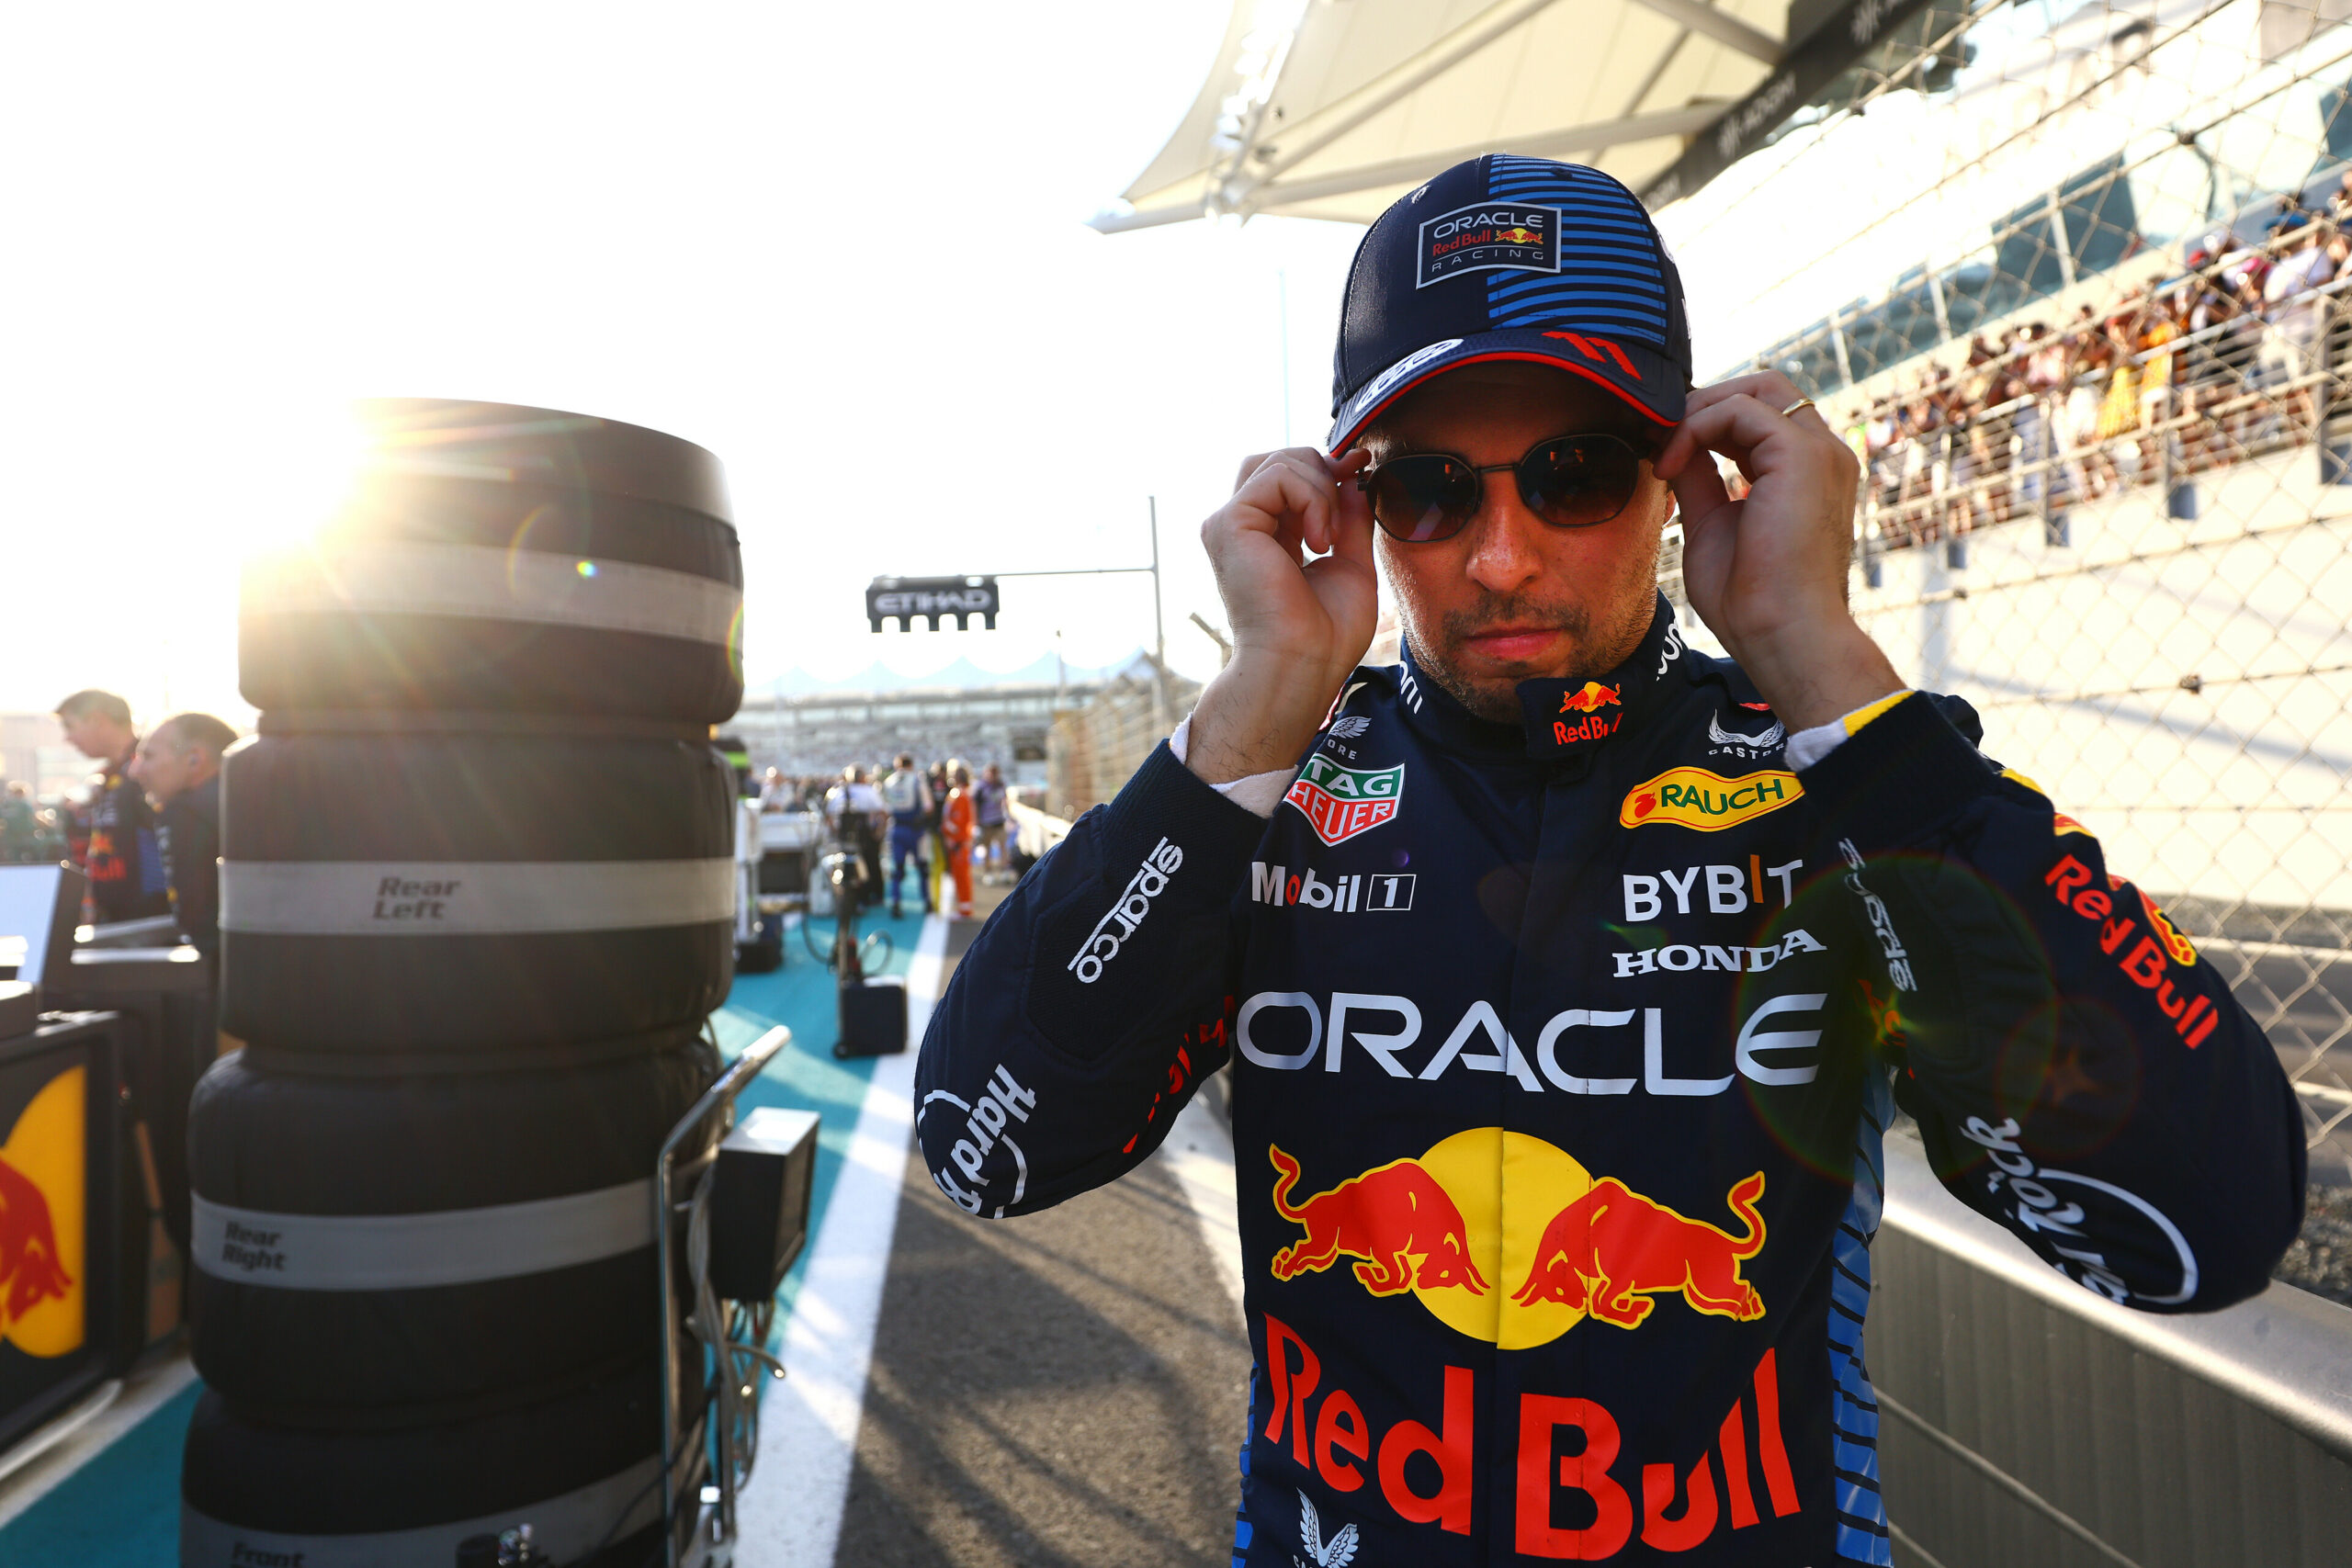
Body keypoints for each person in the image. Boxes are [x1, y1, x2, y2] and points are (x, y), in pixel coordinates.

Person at [915, 156, 2303, 1566]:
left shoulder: (1836, 787)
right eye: (1432, 490)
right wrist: (1255, 702)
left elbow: (2202, 1218)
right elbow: (987, 1144)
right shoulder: (1270, 796)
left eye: (1574, 472)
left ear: (1679, 479)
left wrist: (1820, 659)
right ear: (1355, 502)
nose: (1501, 556)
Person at [55, 689, 171, 924]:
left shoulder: (148, 768)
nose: (67, 738)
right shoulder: (109, 775)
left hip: (150, 919)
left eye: (70, 726)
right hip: (115, 918)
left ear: (96, 719)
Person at [128, 712, 235, 955]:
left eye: (148, 756)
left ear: (194, 759)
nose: (135, 771)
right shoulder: (248, 799)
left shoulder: (186, 812)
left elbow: (197, 918)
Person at [879, 752, 934, 919]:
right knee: (923, 868)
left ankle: (896, 903)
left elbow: (884, 808)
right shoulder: (917, 780)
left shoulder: (888, 781)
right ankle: (926, 902)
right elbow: (928, 807)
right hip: (915, 830)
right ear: (910, 765)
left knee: (897, 869)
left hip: (896, 829)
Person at [939, 760, 976, 919]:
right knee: (960, 875)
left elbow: (957, 821)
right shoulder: (959, 793)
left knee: (962, 875)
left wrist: (952, 837)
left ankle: (965, 909)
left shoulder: (960, 795)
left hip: (959, 843)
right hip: (957, 842)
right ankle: (963, 906)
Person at [972, 762, 1009, 883]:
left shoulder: (1000, 785)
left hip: (999, 820)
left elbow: (1005, 800)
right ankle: (988, 872)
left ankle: (1004, 871)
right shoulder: (981, 787)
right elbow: (975, 804)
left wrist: (1008, 815)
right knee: (986, 849)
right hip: (986, 822)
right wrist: (976, 821)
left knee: (1003, 846)